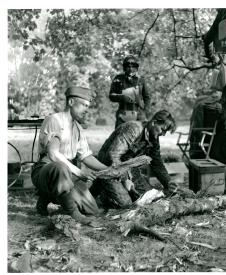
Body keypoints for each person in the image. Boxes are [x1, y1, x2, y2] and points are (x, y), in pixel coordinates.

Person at [31, 86, 108, 224]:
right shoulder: (55, 120)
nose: (86, 110)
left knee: (92, 210)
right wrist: (79, 172)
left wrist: (108, 169)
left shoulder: (78, 128)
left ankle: (48, 197)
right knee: (60, 168)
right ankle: (73, 213)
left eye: (88, 106)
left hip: (68, 175)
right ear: (71, 102)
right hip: (46, 171)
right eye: (84, 105)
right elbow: (53, 154)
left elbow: (86, 156)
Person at [89, 110, 178, 209]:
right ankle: (103, 191)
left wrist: (168, 182)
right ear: (154, 122)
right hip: (110, 167)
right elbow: (113, 156)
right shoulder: (133, 129)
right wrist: (125, 180)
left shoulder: (154, 138)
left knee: (148, 199)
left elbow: (157, 163)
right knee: (125, 204)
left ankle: (102, 186)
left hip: (130, 169)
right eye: (163, 129)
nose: (163, 134)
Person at [109, 55, 151, 128]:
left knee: (142, 136)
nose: (130, 68)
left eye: (133, 66)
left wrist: (145, 111)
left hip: (138, 113)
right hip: (123, 113)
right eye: (128, 66)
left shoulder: (141, 80)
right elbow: (111, 95)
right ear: (125, 67)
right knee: (118, 136)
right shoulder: (118, 79)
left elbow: (147, 97)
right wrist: (121, 97)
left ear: (136, 67)